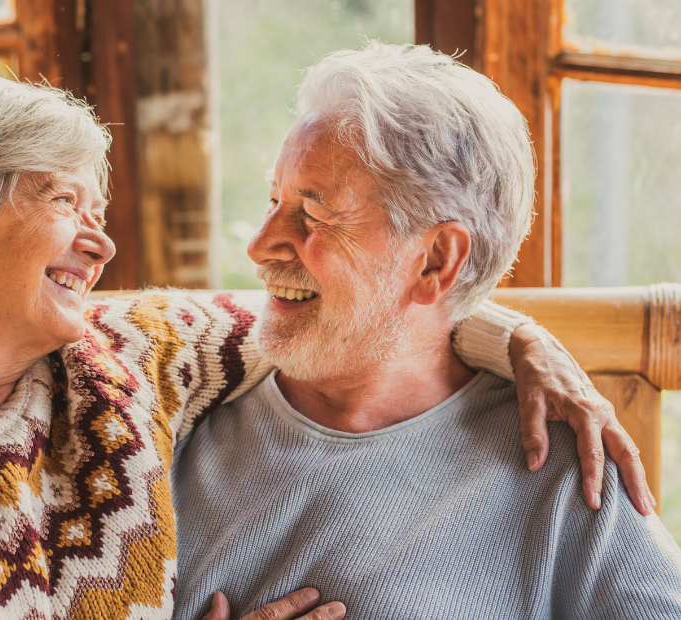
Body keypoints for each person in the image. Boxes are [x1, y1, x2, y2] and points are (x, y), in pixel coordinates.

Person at [0, 70, 652, 620]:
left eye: (95, 210)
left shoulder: (123, 374)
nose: (99, 244)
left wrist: (520, 337)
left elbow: (370, 308)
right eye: (65, 203)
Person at [170, 41, 681, 620]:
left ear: (437, 261)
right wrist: (515, 336)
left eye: (312, 216)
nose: (259, 246)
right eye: (272, 199)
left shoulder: (565, 467)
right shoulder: (161, 414)